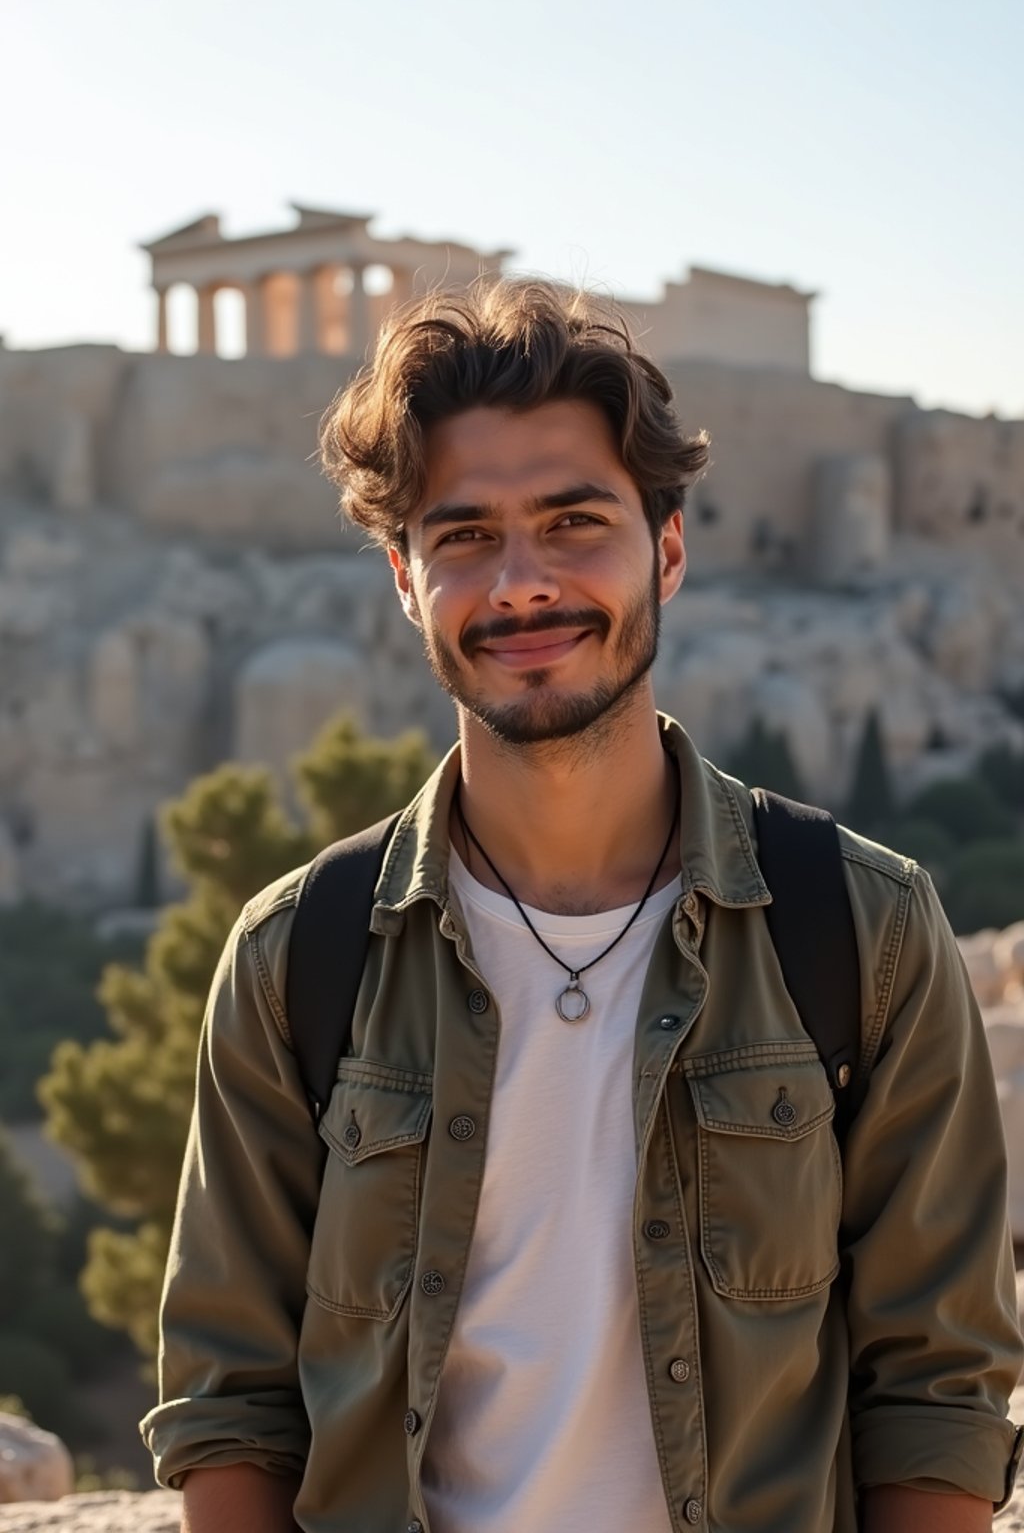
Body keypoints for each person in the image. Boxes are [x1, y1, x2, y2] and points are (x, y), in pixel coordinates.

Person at [143, 279, 1022, 1533]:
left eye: (572, 522)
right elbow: (229, 1401)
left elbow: (938, 1390)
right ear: (403, 578)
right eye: (463, 537)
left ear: (666, 547)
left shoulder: (861, 929)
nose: (521, 584)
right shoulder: (302, 955)